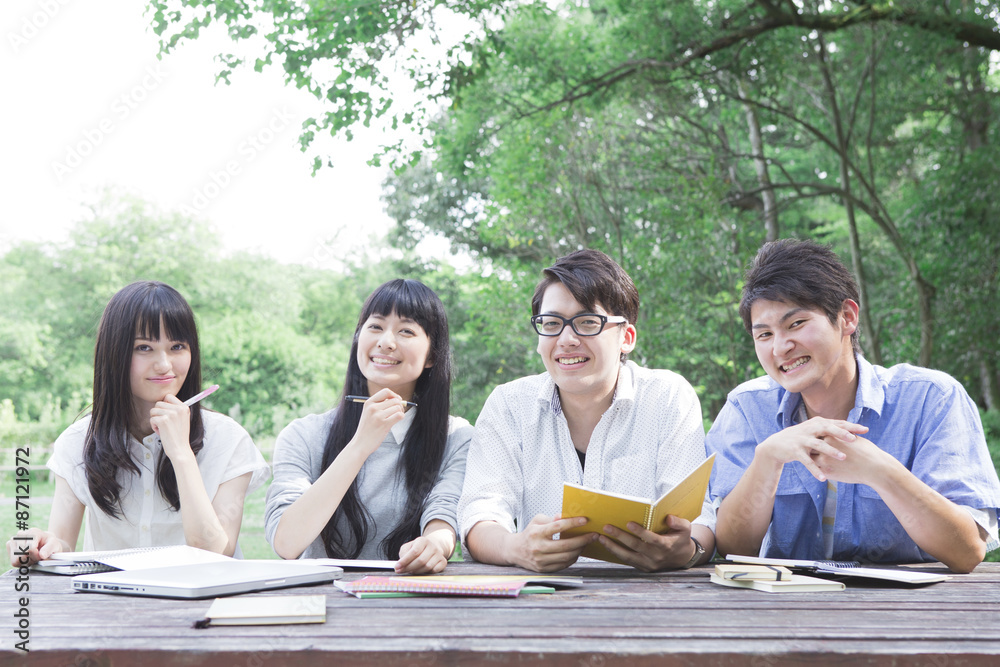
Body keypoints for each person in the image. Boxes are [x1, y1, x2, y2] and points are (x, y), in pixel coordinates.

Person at [707, 239, 1000, 573]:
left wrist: (881, 471)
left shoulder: (932, 399)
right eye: (764, 335)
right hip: (785, 600)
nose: (780, 348)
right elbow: (731, 547)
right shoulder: (746, 409)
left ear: (847, 317)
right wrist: (767, 460)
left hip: (912, 602)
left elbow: (967, 551)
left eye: (796, 324)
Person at [458, 249, 715, 573]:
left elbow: (700, 523)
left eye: (587, 322)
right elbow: (479, 515)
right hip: (542, 594)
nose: (566, 339)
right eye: (552, 324)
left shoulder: (667, 398)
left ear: (627, 337)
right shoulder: (509, 405)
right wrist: (516, 548)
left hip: (649, 595)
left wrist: (686, 552)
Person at [7, 281, 269, 566]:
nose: (164, 364)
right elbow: (62, 544)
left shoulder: (227, 440)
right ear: (114, 353)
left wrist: (181, 453)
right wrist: (42, 545)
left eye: (177, 346)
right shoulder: (78, 441)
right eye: (144, 347)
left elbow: (215, 553)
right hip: (112, 595)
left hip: (202, 594)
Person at [264, 279, 472, 574]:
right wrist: (360, 445)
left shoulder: (456, 437)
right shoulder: (303, 435)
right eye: (375, 326)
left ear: (432, 356)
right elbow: (286, 543)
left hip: (411, 593)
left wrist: (433, 546)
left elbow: (443, 514)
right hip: (323, 596)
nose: (386, 341)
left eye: (406, 331)